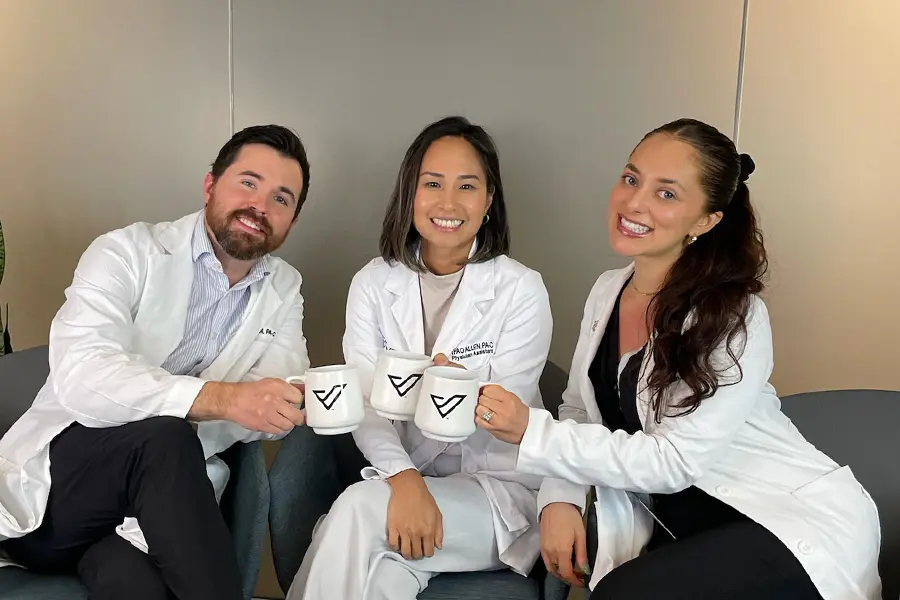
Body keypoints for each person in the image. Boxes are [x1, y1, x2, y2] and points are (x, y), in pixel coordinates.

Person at [473, 118, 882, 599]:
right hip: (681, 530)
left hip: (778, 523)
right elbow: (580, 412)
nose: (634, 203)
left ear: (706, 221)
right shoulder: (608, 291)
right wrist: (558, 499)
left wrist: (528, 431)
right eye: (631, 179)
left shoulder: (734, 315)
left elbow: (674, 462)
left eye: (666, 194)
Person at [0, 124, 313, 600]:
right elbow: (84, 375)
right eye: (248, 183)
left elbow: (276, 399)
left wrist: (279, 405)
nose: (261, 206)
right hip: (56, 501)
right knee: (162, 437)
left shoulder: (284, 287)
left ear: (292, 220)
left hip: (143, 517)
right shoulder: (126, 253)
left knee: (140, 586)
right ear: (211, 185)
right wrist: (225, 399)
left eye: (282, 198)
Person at [287, 116, 553, 600]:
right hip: (405, 480)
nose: (448, 203)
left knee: (358, 511)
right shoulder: (372, 283)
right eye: (432, 184)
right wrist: (407, 482)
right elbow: (364, 403)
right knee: (382, 576)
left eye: (467, 186)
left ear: (489, 201)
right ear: (410, 193)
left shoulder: (520, 290)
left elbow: (506, 413)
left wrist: (454, 391)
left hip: (495, 494)